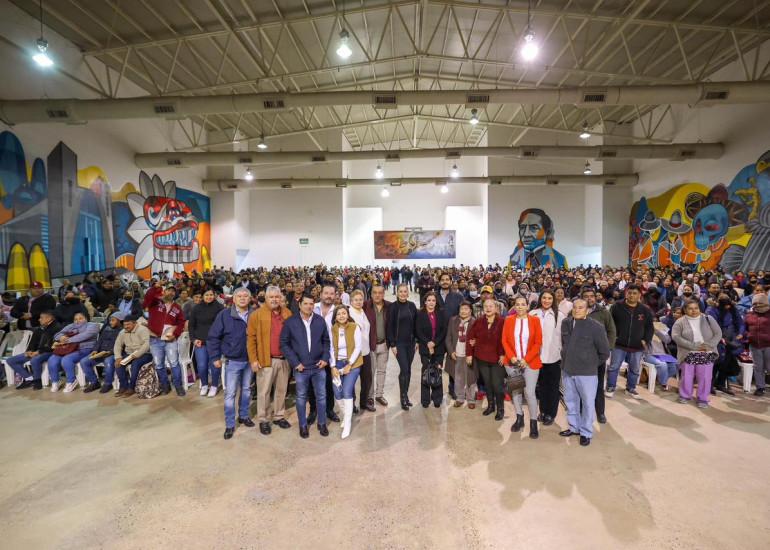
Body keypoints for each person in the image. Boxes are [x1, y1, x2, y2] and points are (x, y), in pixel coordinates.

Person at [559, 299, 611, 447]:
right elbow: (564, 345)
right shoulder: (566, 323)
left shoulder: (596, 327)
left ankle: (586, 432)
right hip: (568, 370)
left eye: (581, 308)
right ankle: (574, 427)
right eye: (575, 307)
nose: (577, 310)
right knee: (570, 401)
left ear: (587, 310)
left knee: (587, 404)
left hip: (587, 373)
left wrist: (591, 364)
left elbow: (604, 352)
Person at [280, 294, 331, 439]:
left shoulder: (319, 321)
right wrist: (295, 362)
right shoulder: (291, 322)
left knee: (321, 396)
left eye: (311, 304)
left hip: (318, 367)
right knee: (301, 397)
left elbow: (326, 341)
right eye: (306, 303)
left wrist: (325, 358)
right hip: (301, 368)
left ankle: (322, 423)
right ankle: (303, 425)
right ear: (300, 305)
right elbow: (284, 343)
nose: (309, 306)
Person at [207, 288, 254, 440]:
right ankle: (230, 424)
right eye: (239, 296)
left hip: (250, 360)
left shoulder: (255, 314)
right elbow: (213, 337)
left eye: (245, 296)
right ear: (233, 299)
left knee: (246, 390)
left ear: (250, 298)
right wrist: (215, 357)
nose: (242, 298)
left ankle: (244, 416)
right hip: (233, 361)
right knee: (230, 393)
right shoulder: (224, 315)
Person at [246, 285, 292, 435]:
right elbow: (251, 339)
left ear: (281, 298)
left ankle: (279, 416)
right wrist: (253, 360)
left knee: (281, 390)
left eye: (277, 297)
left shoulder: (287, 313)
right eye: (271, 297)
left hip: (284, 360)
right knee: (264, 392)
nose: (274, 299)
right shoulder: (256, 315)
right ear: (265, 298)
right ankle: (264, 419)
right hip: (266, 360)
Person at [502, 296, 543, 437]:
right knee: (516, 391)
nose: (520, 307)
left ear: (527, 306)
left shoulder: (535, 320)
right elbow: (504, 341)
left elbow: (538, 343)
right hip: (512, 363)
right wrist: (512, 357)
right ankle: (519, 418)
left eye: (523, 304)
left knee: (529, 393)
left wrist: (526, 359)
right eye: (517, 304)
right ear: (514, 306)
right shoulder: (508, 320)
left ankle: (533, 422)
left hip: (530, 362)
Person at [672, 300, 722, 408]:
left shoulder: (708, 318)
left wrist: (709, 345)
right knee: (687, 376)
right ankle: (685, 395)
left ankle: (703, 399)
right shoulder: (680, 321)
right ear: (685, 310)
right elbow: (676, 337)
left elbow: (718, 333)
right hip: (688, 353)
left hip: (706, 352)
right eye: (690, 308)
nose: (694, 311)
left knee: (705, 377)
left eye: (696, 308)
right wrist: (693, 346)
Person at [606, 284, 653, 399]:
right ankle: (611, 387)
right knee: (614, 367)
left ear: (639, 295)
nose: (632, 295)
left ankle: (631, 388)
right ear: (626, 294)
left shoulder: (645, 310)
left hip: (637, 346)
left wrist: (645, 340)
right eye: (629, 293)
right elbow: (610, 324)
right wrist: (613, 337)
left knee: (634, 369)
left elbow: (649, 328)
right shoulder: (617, 306)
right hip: (619, 344)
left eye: (635, 293)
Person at [143, 283, 187, 396]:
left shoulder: (177, 307)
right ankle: (165, 385)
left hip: (170, 340)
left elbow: (181, 323)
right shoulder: (155, 302)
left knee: (174, 363)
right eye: (169, 290)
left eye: (173, 291)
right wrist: (155, 287)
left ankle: (178, 386)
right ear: (164, 291)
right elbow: (147, 298)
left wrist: (175, 335)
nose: (171, 292)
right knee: (159, 364)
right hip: (155, 340)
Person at [466, 298, 505, 419]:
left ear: (496, 308)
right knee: (487, 384)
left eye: (491, 306)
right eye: (486, 306)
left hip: (497, 359)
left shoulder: (502, 322)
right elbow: (470, 338)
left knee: (497, 385)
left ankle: (500, 409)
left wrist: (503, 354)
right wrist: (469, 354)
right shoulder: (478, 321)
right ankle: (491, 406)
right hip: (482, 358)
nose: (488, 308)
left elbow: (505, 340)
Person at [582, 287, 616, 424]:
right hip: (581, 356)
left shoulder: (603, 312)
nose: (589, 298)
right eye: (586, 296)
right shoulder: (576, 310)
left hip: (598, 356)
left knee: (598, 385)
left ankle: (600, 412)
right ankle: (583, 412)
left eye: (592, 296)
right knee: (581, 386)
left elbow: (611, 331)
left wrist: (607, 349)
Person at [329, 305, 363, 438]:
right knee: (337, 392)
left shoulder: (354, 327)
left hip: (353, 364)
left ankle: (347, 423)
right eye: (338, 314)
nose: (341, 316)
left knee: (347, 391)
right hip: (337, 363)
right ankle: (346, 415)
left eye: (344, 313)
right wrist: (333, 366)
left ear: (348, 315)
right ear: (335, 317)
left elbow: (358, 347)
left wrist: (349, 364)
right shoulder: (333, 329)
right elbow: (331, 348)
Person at [530, 290, 564, 426]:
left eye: (550, 298)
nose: (546, 300)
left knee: (553, 387)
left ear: (553, 300)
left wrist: (560, 352)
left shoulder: (559, 315)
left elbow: (562, 337)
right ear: (540, 299)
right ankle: (543, 411)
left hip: (554, 357)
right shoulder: (533, 313)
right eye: (544, 298)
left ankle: (551, 413)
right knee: (542, 386)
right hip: (536, 357)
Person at [308, 284, 341, 424]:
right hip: (312, 352)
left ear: (335, 295)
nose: (328, 296)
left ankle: (329, 409)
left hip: (330, 353)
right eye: (326, 293)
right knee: (311, 384)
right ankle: (313, 410)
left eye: (331, 293)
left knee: (329, 383)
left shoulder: (338, 310)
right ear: (320, 294)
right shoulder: (311, 307)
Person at [6, 311, 61, 390]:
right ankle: (29, 379)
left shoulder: (57, 328)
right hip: (36, 352)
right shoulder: (39, 328)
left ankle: (37, 381)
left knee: (35, 359)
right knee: (11, 360)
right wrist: (29, 351)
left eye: (41, 318)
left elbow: (53, 346)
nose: (39, 319)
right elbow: (32, 342)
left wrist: (38, 352)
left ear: (49, 318)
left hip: (50, 352)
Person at [47, 312, 99, 393]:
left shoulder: (93, 325)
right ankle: (55, 381)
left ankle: (71, 381)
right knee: (52, 359)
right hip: (68, 348)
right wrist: (61, 337)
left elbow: (84, 336)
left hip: (84, 348)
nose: (78, 321)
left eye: (80, 318)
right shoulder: (71, 326)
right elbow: (57, 335)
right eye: (75, 319)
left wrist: (67, 340)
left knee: (66, 359)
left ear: (86, 319)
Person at [387, 283, 418, 411]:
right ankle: (403, 397)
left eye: (405, 291)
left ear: (408, 293)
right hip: (399, 344)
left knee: (408, 370)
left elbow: (416, 324)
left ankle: (406, 395)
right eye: (401, 291)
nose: (403, 294)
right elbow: (389, 326)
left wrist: (417, 341)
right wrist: (392, 344)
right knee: (404, 369)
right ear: (397, 292)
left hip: (411, 343)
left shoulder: (412, 306)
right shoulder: (393, 307)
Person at [188, 289, 225, 398]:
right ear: (202, 296)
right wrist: (193, 339)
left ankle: (214, 385)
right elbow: (191, 326)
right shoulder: (196, 308)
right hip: (200, 342)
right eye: (206, 295)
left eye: (211, 295)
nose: (209, 297)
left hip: (215, 342)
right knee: (202, 365)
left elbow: (223, 325)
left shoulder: (220, 308)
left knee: (214, 365)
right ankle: (204, 385)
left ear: (214, 295)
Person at [706, 293, 744, 395]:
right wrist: (719, 337)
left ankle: (721, 383)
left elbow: (740, 322)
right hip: (717, 339)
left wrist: (740, 333)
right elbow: (712, 325)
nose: (727, 307)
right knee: (715, 362)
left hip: (731, 339)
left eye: (729, 305)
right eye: (725, 305)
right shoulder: (712, 310)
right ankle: (709, 385)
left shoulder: (732, 309)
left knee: (726, 363)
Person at [78, 312, 125, 394]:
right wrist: (95, 350)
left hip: (113, 353)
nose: (110, 322)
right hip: (101, 353)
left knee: (108, 362)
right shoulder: (107, 328)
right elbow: (99, 340)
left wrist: (109, 352)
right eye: (110, 320)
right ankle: (94, 382)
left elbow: (122, 346)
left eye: (113, 320)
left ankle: (108, 383)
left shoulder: (123, 331)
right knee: (84, 361)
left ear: (120, 320)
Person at [416, 292, 448, 408]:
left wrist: (434, 343)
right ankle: (425, 400)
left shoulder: (441, 313)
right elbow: (418, 330)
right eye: (429, 300)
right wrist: (428, 343)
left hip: (438, 348)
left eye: (433, 300)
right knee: (426, 372)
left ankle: (437, 398)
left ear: (436, 302)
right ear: (425, 302)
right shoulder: (420, 314)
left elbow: (443, 330)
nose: (431, 303)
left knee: (437, 372)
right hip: (425, 348)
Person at [445, 302, 477, 408]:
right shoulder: (453, 320)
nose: (463, 311)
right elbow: (448, 338)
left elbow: (478, 338)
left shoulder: (475, 322)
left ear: (470, 311)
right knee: (458, 378)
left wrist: (475, 343)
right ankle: (460, 398)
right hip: (456, 354)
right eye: (461, 309)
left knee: (471, 378)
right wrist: (451, 351)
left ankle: (471, 399)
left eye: (466, 309)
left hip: (469, 356)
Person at [364, 284, 391, 406]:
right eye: (375, 292)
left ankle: (379, 394)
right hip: (371, 345)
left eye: (380, 293)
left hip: (384, 344)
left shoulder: (389, 306)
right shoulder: (365, 306)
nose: (377, 295)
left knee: (382, 371)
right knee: (371, 372)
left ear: (383, 294)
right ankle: (370, 396)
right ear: (371, 294)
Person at [114, 315, 153, 397]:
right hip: (129, 354)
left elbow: (147, 344)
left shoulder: (142, 329)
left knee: (135, 364)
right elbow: (117, 345)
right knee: (118, 364)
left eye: (128, 324)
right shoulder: (122, 332)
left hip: (145, 354)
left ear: (135, 323)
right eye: (124, 325)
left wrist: (137, 354)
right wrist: (118, 357)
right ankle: (123, 386)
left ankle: (131, 387)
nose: (126, 327)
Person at [348, 289, 374, 413]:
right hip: (354, 353)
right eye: (356, 300)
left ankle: (363, 402)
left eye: (360, 299)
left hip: (365, 351)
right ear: (351, 301)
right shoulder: (349, 314)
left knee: (367, 378)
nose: (358, 302)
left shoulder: (363, 312)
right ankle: (352, 404)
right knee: (352, 380)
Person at [744, 293, 770, 396]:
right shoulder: (749, 315)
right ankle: (760, 387)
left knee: (769, 367)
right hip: (754, 345)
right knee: (758, 367)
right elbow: (745, 328)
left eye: (760, 303)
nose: (758, 305)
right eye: (755, 303)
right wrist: (748, 336)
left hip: (768, 345)